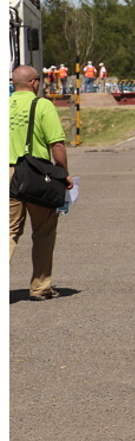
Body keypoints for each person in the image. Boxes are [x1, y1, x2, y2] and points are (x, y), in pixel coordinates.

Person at [9, 65, 70, 300]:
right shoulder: (42, 105)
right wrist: (62, 172)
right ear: (34, 83)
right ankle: (40, 286)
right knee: (43, 231)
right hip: (36, 176)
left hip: (7, 173)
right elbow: (57, 144)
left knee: (9, 231)